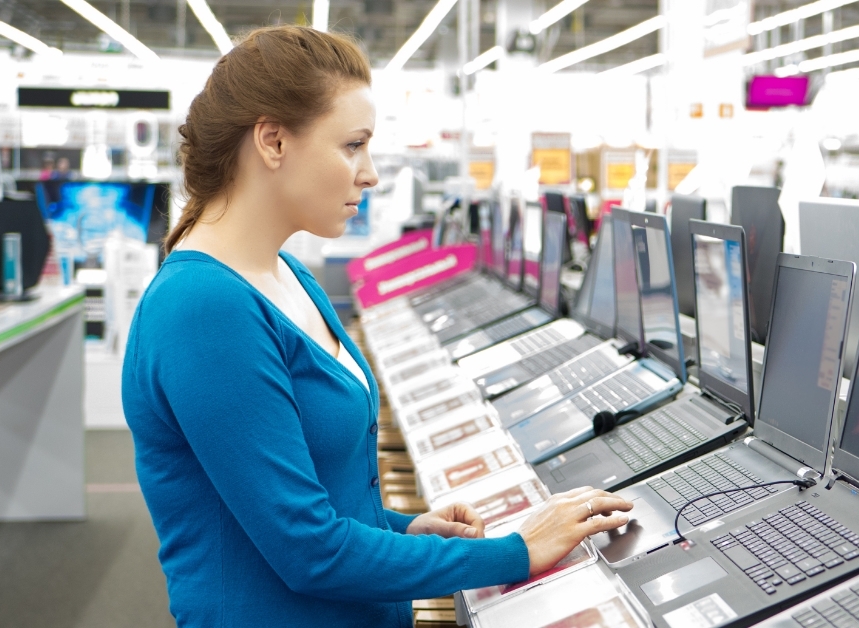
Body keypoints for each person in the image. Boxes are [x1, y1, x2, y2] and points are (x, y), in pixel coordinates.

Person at [121, 25, 632, 627]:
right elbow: (308, 549)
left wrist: (404, 529)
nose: (370, 174)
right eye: (353, 145)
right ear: (273, 141)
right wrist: (516, 552)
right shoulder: (203, 309)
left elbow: (306, 496)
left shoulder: (286, 274)